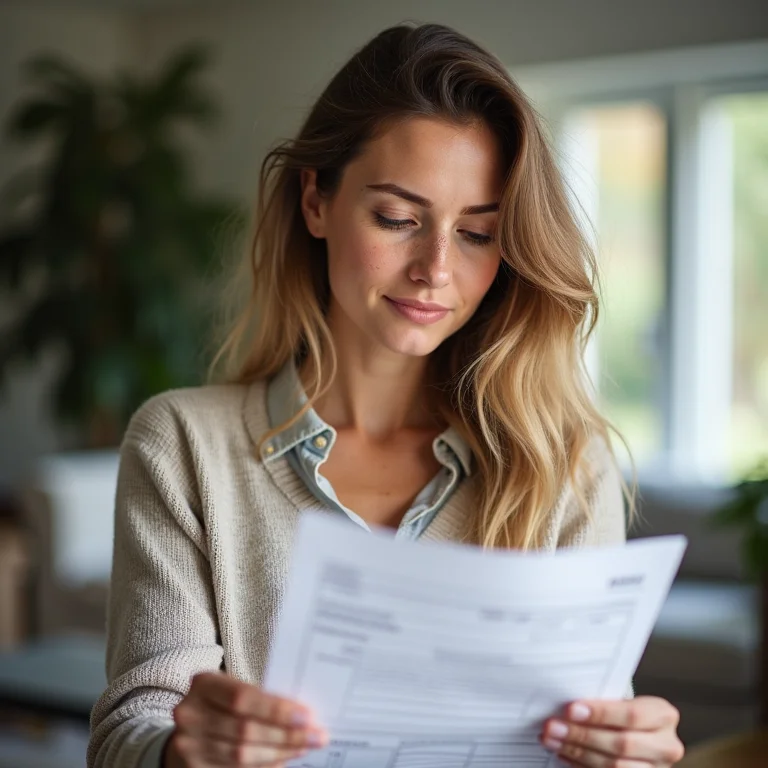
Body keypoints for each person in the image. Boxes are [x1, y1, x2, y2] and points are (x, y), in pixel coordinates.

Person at [87, 22, 685, 768]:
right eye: (399, 219)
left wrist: (624, 751)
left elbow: (588, 729)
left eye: (476, 234)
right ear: (315, 202)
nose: (436, 268)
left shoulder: (561, 461)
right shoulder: (182, 443)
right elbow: (128, 728)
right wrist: (182, 753)